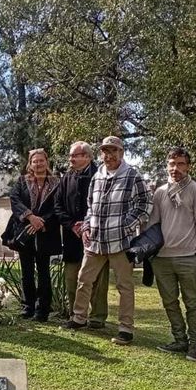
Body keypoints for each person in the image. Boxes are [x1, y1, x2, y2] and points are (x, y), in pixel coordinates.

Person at [61, 136, 151, 346]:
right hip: (96, 240)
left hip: (121, 241)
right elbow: (90, 207)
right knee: (84, 279)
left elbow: (145, 203)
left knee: (124, 286)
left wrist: (127, 225)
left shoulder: (132, 175)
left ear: (121, 153)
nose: (109, 156)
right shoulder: (97, 176)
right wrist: (86, 226)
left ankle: (125, 328)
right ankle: (79, 318)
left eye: (113, 151)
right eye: (105, 151)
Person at [148, 148, 196, 362]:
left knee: (192, 302)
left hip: (188, 256)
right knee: (169, 302)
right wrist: (150, 251)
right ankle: (179, 339)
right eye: (172, 164)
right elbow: (153, 224)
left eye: (181, 164)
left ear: (188, 166)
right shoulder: (160, 192)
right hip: (162, 258)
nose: (176, 168)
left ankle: (195, 344)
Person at [55, 141, 108, 326]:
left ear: (87, 156)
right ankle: (75, 316)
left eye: (75, 155)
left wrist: (86, 225)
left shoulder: (100, 174)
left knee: (97, 280)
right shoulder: (66, 177)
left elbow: (102, 205)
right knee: (71, 278)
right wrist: (72, 226)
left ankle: (97, 317)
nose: (71, 159)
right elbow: (58, 205)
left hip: (95, 235)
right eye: (70, 155)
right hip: (72, 236)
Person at [8, 149, 61, 322]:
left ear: (47, 161)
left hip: (45, 233)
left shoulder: (56, 183)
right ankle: (28, 307)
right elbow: (15, 200)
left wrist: (41, 222)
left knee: (44, 272)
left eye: (41, 160)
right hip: (25, 232)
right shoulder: (22, 181)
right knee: (27, 271)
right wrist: (30, 217)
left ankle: (42, 310)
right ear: (30, 164)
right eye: (34, 161)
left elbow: (58, 206)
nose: (38, 164)